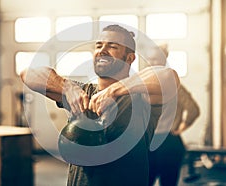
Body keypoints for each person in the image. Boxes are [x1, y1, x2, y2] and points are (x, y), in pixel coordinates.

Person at [20, 25, 180, 186]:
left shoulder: (141, 98)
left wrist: (113, 91)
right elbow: (27, 74)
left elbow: (169, 77)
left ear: (130, 58)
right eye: (98, 45)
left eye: (112, 46)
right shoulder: (81, 93)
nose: (102, 50)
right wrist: (66, 87)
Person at [147, 44, 200, 186]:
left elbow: (194, 109)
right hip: (152, 143)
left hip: (166, 144)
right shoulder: (142, 86)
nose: (153, 63)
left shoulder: (174, 86)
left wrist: (179, 129)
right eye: (151, 60)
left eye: (157, 60)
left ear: (164, 60)